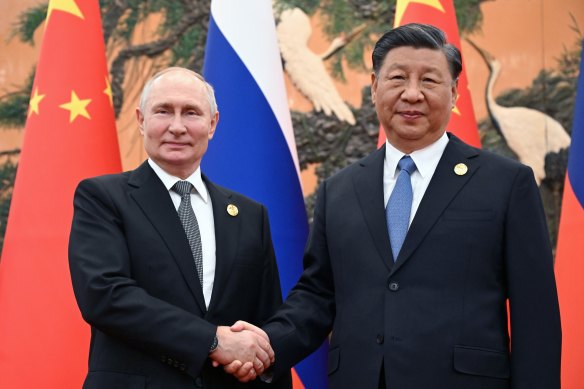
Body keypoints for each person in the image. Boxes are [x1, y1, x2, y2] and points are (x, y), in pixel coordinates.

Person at [227, 23, 561, 388]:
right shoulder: (339, 190)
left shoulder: (506, 183)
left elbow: (536, 315)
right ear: (374, 88)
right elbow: (317, 296)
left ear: (453, 94)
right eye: (398, 78)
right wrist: (265, 346)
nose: (412, 94)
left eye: (430, 81)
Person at [68, 67, 291, 389]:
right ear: (141, 119)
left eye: (191, 113)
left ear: (212, 124)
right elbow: (105, 296)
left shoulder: (249, 215)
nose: (177, 127)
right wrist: (212, 341)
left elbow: (265, 322)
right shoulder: (103, 197)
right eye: (163, 111)